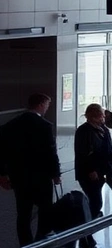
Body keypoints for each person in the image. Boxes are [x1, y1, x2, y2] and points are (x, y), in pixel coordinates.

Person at [0, 93, 62, 246]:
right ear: (40, 105)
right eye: (47, 105)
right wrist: (56, 174)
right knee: (45, 209)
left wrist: (2, 174)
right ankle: (41, 240)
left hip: (19, 176)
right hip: (42, 177)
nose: (47, 108)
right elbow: (50, 153)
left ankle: (25, 243)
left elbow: (1, 151)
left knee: (23, 213)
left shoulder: (10, 126)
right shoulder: (45, 126)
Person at [75, 103, 112, 248]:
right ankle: (85, 233)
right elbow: (83, 154)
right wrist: (91, 170)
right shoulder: (84, 131)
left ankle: (86, 230)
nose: (104, 117)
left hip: (102, 171)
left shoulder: (103, 130)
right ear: (95, 116)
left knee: (95, 201)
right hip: (89, 173)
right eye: (102, 114)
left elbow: (107, 150)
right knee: (95, 202)